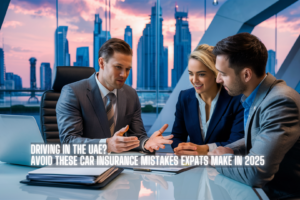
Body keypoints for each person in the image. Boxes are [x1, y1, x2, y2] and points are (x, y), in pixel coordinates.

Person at [208, 32, 300, 199]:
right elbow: (261, 134)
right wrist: (231, 150)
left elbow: (255, 172)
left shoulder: (280, 101)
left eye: (223, 73)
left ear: (246, 75)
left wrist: (220, 161)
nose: (218, 80)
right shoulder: (262, 96)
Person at [56, 38, 173, 153]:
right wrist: (107, 145)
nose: (124, 74)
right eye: (118, 67)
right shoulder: (73, 92)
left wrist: (146, 143)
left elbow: (137, 135)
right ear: (102, 63)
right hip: (85, 166)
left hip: (121, 166)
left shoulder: (130, 94)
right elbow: (69, 142)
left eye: (128, 69)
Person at [172, 44, 244, 155]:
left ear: (216, 73)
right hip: (192, 165)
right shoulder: (184, 97)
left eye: (201, 74)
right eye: (191, 74)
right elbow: (177, 137)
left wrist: (205, 149)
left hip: (225, 166)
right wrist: (182, 148)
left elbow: (236, 142)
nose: (194, 80)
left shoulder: (236, 99)